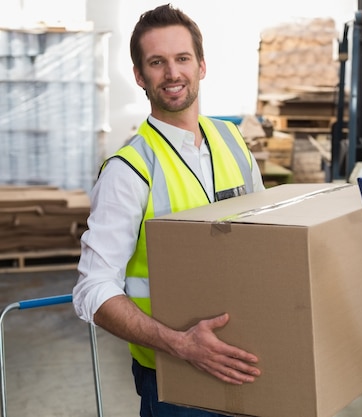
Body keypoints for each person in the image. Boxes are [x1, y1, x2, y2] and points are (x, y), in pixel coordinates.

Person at [73, 4, 265, 416]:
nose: (173, 73)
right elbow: (92, 290)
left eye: (182, 59)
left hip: (250, 359)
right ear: (140, 76)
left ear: (201, 66)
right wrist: (181, 344)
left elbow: (267, 239)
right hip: (174, 375)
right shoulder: (128, 170)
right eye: (157, 63)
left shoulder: (232, 140)